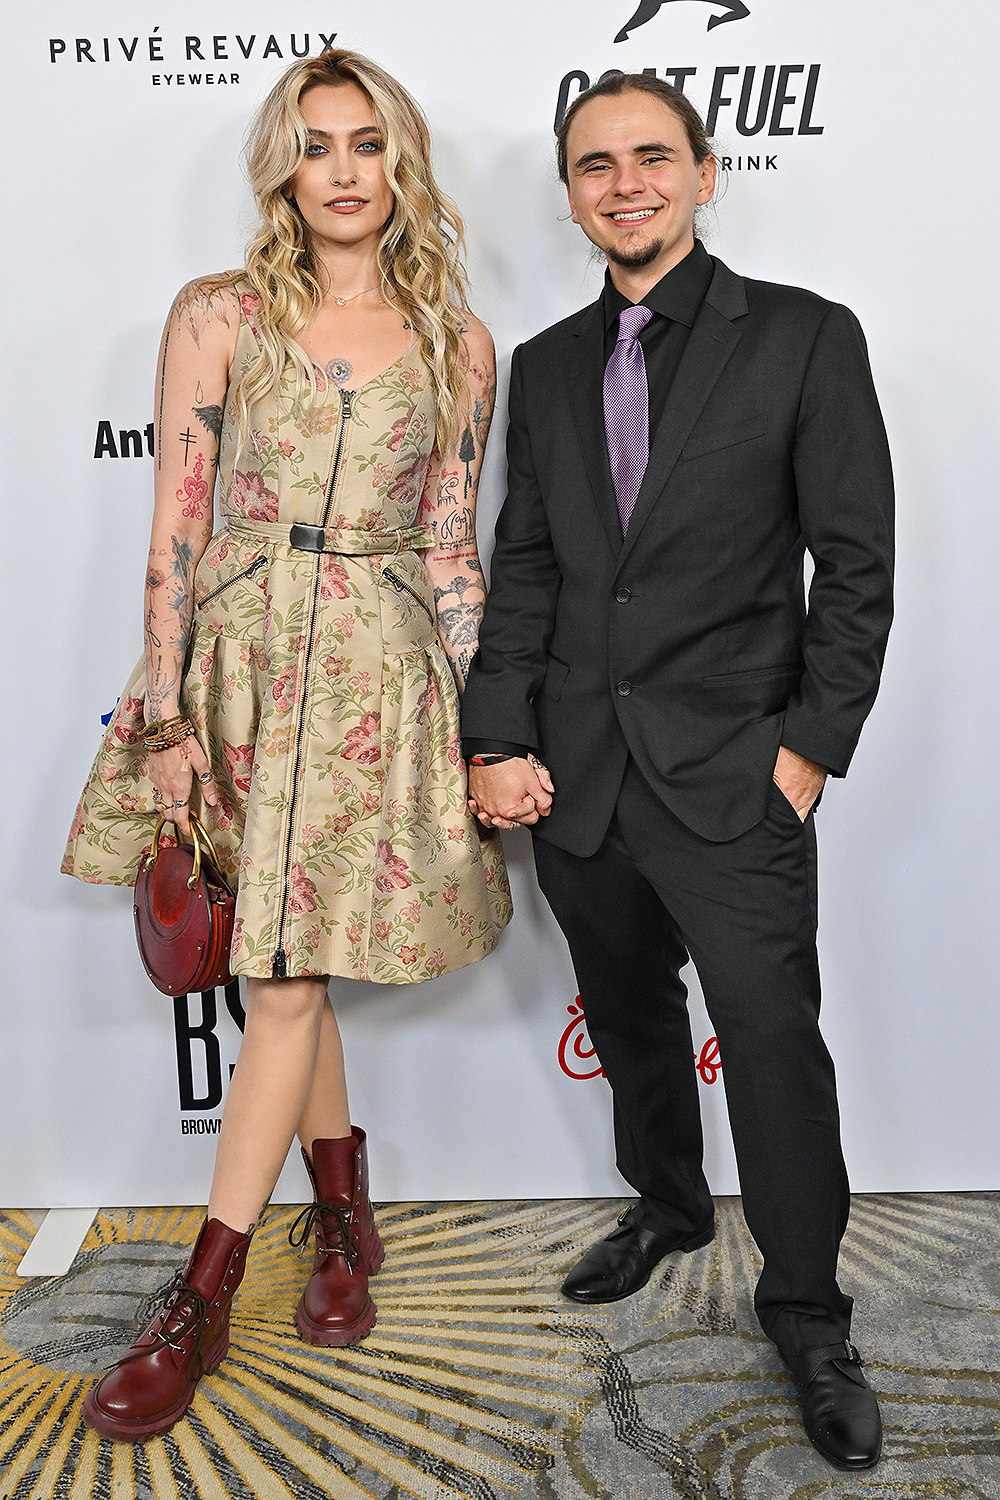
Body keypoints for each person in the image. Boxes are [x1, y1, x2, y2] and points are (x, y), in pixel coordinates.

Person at [62, 49, 510, 1443]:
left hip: (380, 674)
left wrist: (488, 720)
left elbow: (449, 547)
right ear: (285, 166)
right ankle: (338, 1224)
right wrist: (171, 709)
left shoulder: (460, 342)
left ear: (402, 164)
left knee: (288, 976)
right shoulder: (220, 314)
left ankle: (208, 1287)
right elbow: (175, 531)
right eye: (316, 145)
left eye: (368, 144)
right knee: (284, 968)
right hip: (244, 661)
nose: (344, 170)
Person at [463, 73, 893, 1472]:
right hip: (581, 778)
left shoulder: (807, 340)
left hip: (735, 774)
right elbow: (524, 566)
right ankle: (667, 1202)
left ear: (709, 174)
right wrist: (498, 737)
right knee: (633, 1016)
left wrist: (810, 748)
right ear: (574, 191)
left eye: (654, 157)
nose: (625, 183)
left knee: (769, 1039)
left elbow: (858, 565)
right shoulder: (541, 367)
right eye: (596, 165)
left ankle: (811, 1317)